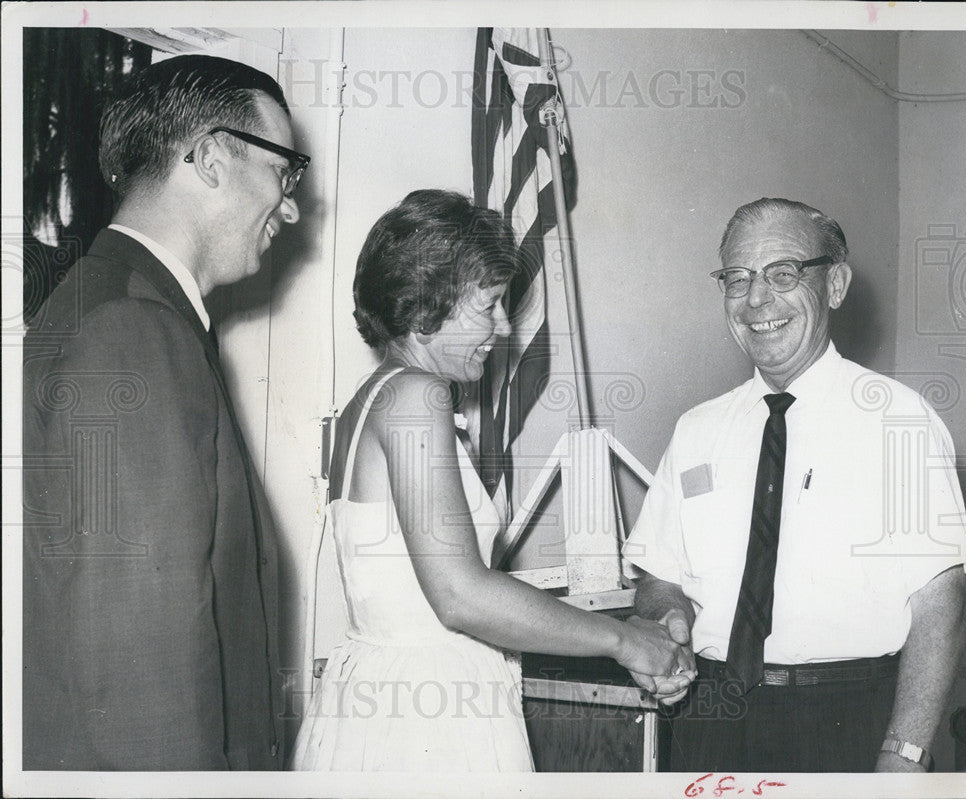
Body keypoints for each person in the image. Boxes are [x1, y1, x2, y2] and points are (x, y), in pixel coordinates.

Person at [289, 189, 691, 772]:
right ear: (427, 307)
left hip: (385, 696)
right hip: (429, 715)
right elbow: (460, 594)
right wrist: (623, 639)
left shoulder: (370, 399)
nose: (503, 329)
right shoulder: (414, 395)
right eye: (490, 306)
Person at [22, 55, 307, 770]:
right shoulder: (132, 331)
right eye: (285, 172)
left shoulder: (109, 300)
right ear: (211, 158)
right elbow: (143, 668)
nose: (293, 204)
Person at [623, 198, 966, 773]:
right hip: (710, 716)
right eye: (737, 279)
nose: (757, 299)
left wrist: (905, 752)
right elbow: (660, 575)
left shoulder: (898, 421)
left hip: (849, 721)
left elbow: (941, 605)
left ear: (834, 284)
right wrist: (668, 620)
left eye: (783, 273)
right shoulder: (696, 429)